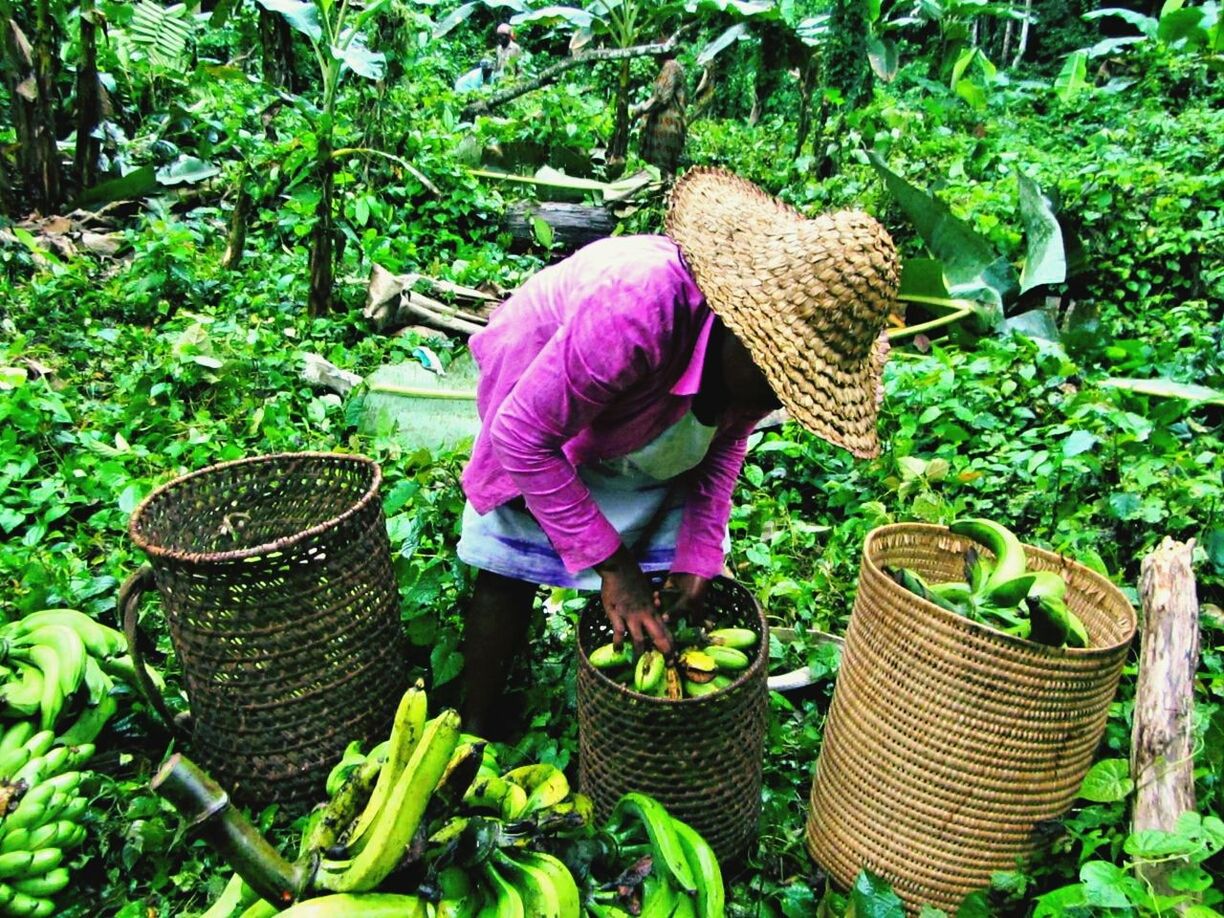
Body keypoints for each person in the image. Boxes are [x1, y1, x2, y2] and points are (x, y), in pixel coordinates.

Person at [455, 168, 900, 736]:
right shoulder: (635, 311)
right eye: (776, 379)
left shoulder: (752, 373)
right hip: (549, 404)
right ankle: (474, 723)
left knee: (666, 573)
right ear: (739, 327)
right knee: (509, 564)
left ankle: (648, 724)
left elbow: (725, 442)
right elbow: (524, 436)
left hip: (650, 419)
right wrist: (615, 568)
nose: (775, 400)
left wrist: (698, 555)